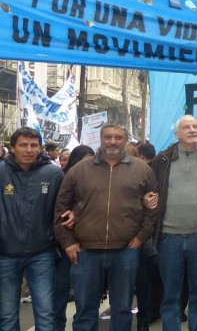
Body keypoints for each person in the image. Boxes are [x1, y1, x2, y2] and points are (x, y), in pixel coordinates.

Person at [54, 122, 159, 331]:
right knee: (85, 310)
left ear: (126, 140)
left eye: (118, 137)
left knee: (122, 309)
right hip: (85, 251)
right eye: (108, 137)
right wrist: (68, 242)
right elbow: (60, 210)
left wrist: (141, 236)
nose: (113, 141)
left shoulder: (142, 169)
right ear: (100, 139)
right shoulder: (79, 170)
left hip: (126, 250)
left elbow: (153, 207)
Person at [149, 115, 197, 331]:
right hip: (168, 238)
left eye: (195, 126)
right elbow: (150, 189)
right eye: (186, 127)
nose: (192, 130)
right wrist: (147, 197)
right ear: (177, 134)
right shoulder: (161, 160)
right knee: (171, 295)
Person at [0, 127, 64, 331]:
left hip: (41, 253)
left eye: (33, 145)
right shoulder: (1, 172)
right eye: (23, 145)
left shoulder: (53, 173)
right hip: (5, 253)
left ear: (40, 148)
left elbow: (63, 207)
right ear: (12, 148)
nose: (28, 150)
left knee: (46, 315)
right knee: (7, 315)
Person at [54, 145, 96, 331]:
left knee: (85, 297)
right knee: (60, 293)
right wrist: (67, 241)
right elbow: (56, 212)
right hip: (63, 246)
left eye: (91, 159)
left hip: (87, 246)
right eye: (84, 159)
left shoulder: (96, 180)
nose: (87, 164)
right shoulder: (62, 178)